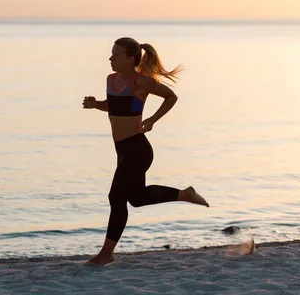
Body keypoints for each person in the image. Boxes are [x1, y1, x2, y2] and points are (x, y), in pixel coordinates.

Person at [82, 37, 209, 266]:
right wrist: (96, 104)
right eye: (111, 54)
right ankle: (184, 194)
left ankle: (106, 254)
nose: (110, 58)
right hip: (122, 150)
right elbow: (114, 105)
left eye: (116, 55)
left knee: (116, 197)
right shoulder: (111, 80)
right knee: (137, 199)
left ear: (131, 59)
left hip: (137, 149)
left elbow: (172, 97)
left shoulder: (142, 82)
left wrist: (152, 119)